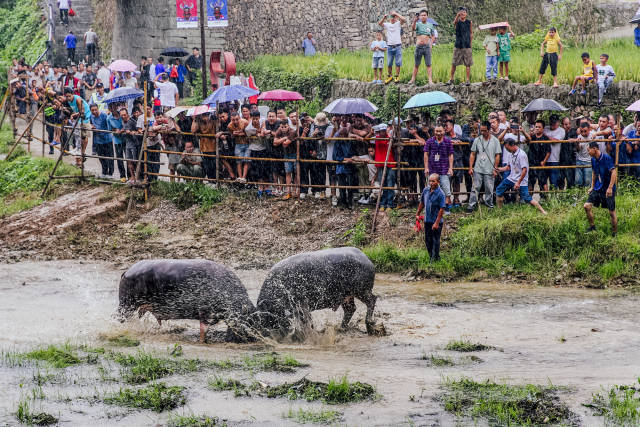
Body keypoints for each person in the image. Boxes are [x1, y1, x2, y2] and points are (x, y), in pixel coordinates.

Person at [496, 139, 547, 214]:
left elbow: (524, 170)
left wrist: (518, 183)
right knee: (499, 190)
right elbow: (508, 167)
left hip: (521, 180)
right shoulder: (510, 154)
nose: (507, 150)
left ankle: (543, 211)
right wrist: (499, 169)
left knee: (527, 198)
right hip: (511, 178)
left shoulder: (522, 155)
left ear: (512, 145)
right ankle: (499, 211)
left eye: (507, 148)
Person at [584, 141, 617, 236]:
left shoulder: (606, 158)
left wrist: (610, 188)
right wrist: (592, 187)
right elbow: (594, 173)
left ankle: (614, 233)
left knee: (611, 212)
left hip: (608, 188)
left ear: (595, 149)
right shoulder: (593, 159)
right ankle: (592, 227)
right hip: (598, 187)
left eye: (589, 150)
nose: (588, 152)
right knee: (586, 206)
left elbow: (614, 172)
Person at [467, 121, 501, 211]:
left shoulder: (495, 140)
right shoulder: (477, 140)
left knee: (489, 188)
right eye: (481, 130)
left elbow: (497, 155)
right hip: (478, 168)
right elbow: (473, 154)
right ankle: (471, 205)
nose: (482, 132)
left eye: (484, 130)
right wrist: (470, 167)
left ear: (489, 130)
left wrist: (495, 168)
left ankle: (489, 205)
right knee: (475, 187)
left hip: (490, 169)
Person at [424, 124, 454, 213]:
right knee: (432, 189)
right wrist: (426, 168)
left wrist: (450, 168)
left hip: (444, 169)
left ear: (444, 131)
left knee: (446, 190)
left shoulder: (448, 142)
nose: (438, 133)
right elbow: (426, 154)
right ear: (434, 131)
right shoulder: (429, 141)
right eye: (437, 131)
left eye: (440, 131)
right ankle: (431, 208)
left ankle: (446, 207)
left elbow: (450, 155)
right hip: (432, 169)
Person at [416, 173, 445, 261]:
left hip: (436, 221)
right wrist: (417, 213)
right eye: (430, 181)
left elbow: (441, 209)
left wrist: (436, 223)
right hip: (427, 219)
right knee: (428, 240)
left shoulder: (441, 194)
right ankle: (433, 257)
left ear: (438, 182)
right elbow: (422, 203)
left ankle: (434, 259)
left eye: (433, 181)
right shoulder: (425, 190)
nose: (431, 183)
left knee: (435, 241)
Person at [65, 87, 91, 167]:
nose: (68, 98)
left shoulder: (77, 99)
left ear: (73, 94)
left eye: (69, 96)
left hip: (84, 117)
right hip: (79, 118)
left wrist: (73, 115)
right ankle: (78, 149)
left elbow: (81, 112)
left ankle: (81, 151)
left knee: (83, 135)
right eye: (67, 96)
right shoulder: (69, 101)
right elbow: (75, 110)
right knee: (77, 134)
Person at [378, 11, 407, 84]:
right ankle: (390, 76)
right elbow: (380, 24)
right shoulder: (387, 25)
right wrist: (384, 18)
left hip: (397, 46)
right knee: (389, 63)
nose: (393, 19)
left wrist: (396, 13)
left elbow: (404, 20)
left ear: (396, 18)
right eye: (391, 17)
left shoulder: (398, 24)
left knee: (398, 62)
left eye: (394, 17)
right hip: (390, 46)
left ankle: (397, 76)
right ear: (390, 18)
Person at [408, 10, 435, 85]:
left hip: (427, 47)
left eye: (425, 15)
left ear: (427, 16)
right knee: (416, 64)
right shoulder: (418, 24)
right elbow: (413, 29)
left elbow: (433, 36)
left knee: (428, 64)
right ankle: (412, 79)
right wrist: (414, 21)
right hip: (419, 46)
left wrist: (431, 44)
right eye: (422, 15)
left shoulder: (430, 25)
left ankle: (430, 80)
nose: (423, 16)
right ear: (420, 16)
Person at [447, 7, 473, 85]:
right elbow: (454, 24)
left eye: (464, 12)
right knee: (454, 63)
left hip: (467, 45)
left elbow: (471, 33)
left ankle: (467, 80)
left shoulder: (469, 22)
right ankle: (451, 79)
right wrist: (457, 16)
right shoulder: (457, 22)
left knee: (468, 63)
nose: (462, 14)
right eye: (461, 12)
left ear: (466, 14)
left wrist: (470, 43)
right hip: (458, 45)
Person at [374, 123, 396, 210]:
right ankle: (383, 203)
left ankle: (390, 204)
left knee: (390, 183)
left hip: (390, 163)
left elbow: (394, 142)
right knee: (382, 184)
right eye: (381, 131)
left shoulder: (390, 137)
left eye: (384, 131)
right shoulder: (377, 138)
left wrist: (391, 137)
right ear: (379, 131)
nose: (382, 132)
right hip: (380, 163)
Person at [333, 130, 357, 209]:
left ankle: (350, 202)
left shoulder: (351, 143)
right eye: (340, 135)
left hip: (349, 167)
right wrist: (345, 159)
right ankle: (343, 203)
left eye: (343, 135)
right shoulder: (337, 143)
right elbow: (334, 157)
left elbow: (354, 154)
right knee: (342, 186)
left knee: (350, 186)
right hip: (340, 168)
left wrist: (352, 159)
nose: (341, 137)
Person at [274, 120, 298, 198]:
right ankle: (288, 191)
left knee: (295, 173)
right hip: (286, 154)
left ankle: (294, 191)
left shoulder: (292, 132)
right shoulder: (279, 130)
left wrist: (280, 140)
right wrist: (284, 137)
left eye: (285, 127)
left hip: (294, 154)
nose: (283, 129)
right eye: (282, 127)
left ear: (288, 126)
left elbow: (285, 144)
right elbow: (274, 143)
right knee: (288, 172)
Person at [89, 104, 114, 178]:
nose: (94, 111)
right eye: (92, 110)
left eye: (95, 109)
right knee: (101, 158)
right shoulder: (91, 116)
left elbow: (110, 126)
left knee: (109, 157)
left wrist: (100, 130)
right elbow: (91, 123)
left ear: (98, 109)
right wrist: (92, 126)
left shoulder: (104, 116)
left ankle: (110, 173)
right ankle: (104, 172)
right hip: (98, 141)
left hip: (107, 140)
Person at [528, 120, 551, 194]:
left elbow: (548, 151)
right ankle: (529, 199)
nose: (537, 128)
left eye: (539, 127)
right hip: (532, 162)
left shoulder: (545, 138)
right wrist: (529, 134)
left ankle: (545, 198)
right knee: (531, 182)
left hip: (541, 163)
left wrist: (544, 161)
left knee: (543, 182)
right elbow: (526, 141)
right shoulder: (532, 137)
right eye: (536, 127)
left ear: (543, 128)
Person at [191, 113, 217, 182]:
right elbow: (193, 131)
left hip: (212, 147)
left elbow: (218, 127)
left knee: (213, 165)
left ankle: (215, 180)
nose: (204, 118)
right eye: (203, 116)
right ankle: (210, 180)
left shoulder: (213, 121)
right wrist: (194, 120)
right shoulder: (200, 123)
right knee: (207, 165)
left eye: (206, 116)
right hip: (204, 147)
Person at [543, 115, 566, 188]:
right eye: (551, 122)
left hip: (554, 159)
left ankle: (554, 197)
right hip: (544, 159)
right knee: (543, 181)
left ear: (558, 122)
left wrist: (544, 136)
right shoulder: (545, 128)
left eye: (554, 122)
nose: (552, 123)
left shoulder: (561, 130)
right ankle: (544, 197)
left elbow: (555, 141)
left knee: (554, 181)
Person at [228, 112, 250, 183]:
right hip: (238, 144)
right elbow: (231, 136)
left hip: (247, 143)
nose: (235, 121)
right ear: (231, 119)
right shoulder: (230, 126)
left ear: (239, 118)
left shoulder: (245, 122)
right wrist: (233, 134)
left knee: (247, 160)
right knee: (239, 161)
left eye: (237, 119)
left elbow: (249, 133)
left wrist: (242, 133)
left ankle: (244, 177)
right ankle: (240, 177)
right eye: (233, 120)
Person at [107, 105, 127, 181]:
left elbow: (127, 123)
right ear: (109, 109)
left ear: (116, 107)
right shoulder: (109, 118)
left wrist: (122, 129)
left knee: (128, 158)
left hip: (125, 139)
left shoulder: (122, 114)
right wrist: (115, 130)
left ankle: (130, 175)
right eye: (111, 108)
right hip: (117, 140)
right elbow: (109, 129)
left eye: (114, 107)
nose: (113, 109)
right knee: (119, 158)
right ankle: (122, 176)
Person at [574, 122, 594, 187]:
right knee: (578, 180)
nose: (583, 133)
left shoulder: (593, 135)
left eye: (585, 131)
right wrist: (577, 143)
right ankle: (578, 194)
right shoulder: (579, 137)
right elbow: (578, 149)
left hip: (589, 161)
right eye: (581, 131)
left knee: (588, 181)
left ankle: (587, 194)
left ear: (589, 129)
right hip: (579, 160)